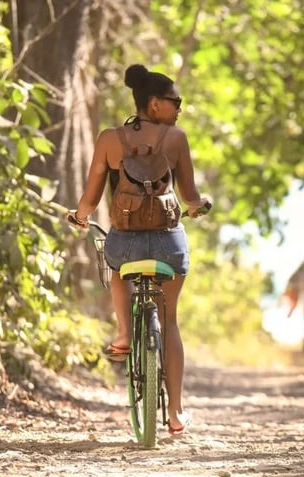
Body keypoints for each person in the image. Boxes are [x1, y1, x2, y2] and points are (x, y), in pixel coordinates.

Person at [67, 63, 210, 436]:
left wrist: (80, 216)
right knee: (171, 322)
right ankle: (176, 413)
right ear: (153, 103)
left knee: (115, 268)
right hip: (167, 240)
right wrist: (198, 206)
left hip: (125, 240)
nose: (179, 107)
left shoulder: (109, 139)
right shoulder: (176, 139)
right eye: (174, 100)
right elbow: (189, 197)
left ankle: (125, 334)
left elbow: (92, 194)